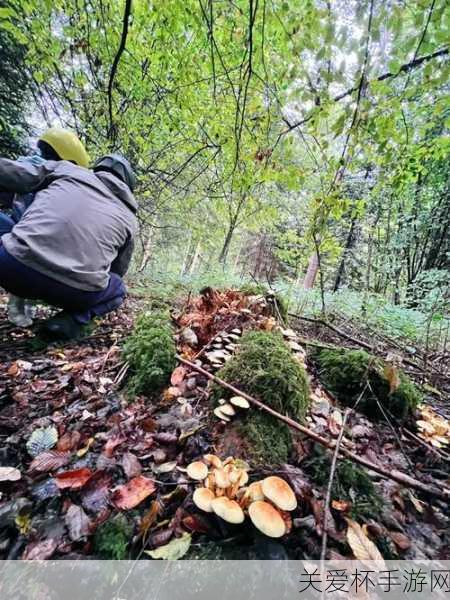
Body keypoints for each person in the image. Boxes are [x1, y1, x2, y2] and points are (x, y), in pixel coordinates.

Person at [0, 153, 138, 340]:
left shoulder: (67, 170)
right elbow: (117, 271)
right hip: (74, 292)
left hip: (13, 267)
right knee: (118, 289)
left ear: (97, 168)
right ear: (128, 186)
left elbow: (15, 174)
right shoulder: (130, 219)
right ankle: (69, 322)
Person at [0, 127, 90, 326]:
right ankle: (22, 303)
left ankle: (23, 302)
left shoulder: (35, 169)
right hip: (30, 238)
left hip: (22, 235)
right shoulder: (56, 175)